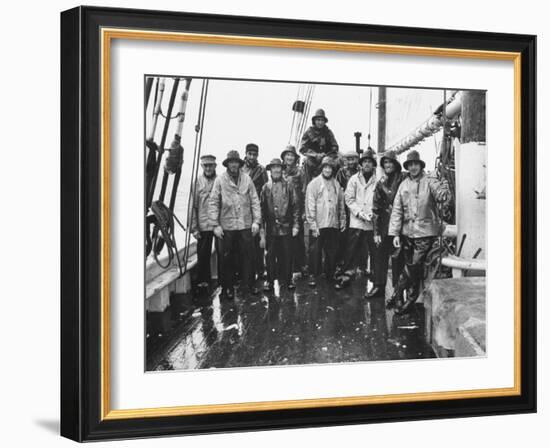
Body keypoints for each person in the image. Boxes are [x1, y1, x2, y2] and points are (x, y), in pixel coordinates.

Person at [388, 150, 451, 314]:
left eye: (416, 164)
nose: (413, 167)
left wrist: (444, 188)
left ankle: (398, 294)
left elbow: (442, 197)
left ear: (420, 165)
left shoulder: (430, 181)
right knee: (412, 268)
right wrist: (395, 233)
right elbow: (397, 210)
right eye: (410, 165)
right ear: (407, 167)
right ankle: (409, 298)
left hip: (425, 233)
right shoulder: (403, 185)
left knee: (413, 267)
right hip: (407, 233)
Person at [208, 150, 261, 300]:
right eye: (231, 162)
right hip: (227, 226)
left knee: (248, 257)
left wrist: (257, 221)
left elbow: (255, 201)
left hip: (245, 225)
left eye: (236, 162)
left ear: (239, 164)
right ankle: (227, 289)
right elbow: (213, 203)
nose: (233, 165)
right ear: (227, 164)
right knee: (226, 259)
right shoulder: (220, 180)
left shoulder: (247, 179)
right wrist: (215, 225)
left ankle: (249, 286)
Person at [335, 149, 378, 294]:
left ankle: (376, 282)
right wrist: (359, 213)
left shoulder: (378, 180)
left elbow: (380, 199)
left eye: (369, 162)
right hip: (356, 221)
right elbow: (349, 199)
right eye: (365, 161)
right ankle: (346, 276)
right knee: (351, 250)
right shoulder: (353, 179)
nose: (367, 164)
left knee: (374, 252)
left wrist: (373, 213)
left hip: (372, 223)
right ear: (361, 164)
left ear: (373, 165)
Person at [372, 150, 408, 305]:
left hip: (400, 226)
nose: (388, 165)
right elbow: (376, 209)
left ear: (396, 164)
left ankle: (397, 292)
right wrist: (376, 232)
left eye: (390, 162)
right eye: (385, 162)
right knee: (380, 256)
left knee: (398, 260)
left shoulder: (404, 178)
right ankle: (378, 286)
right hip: (384, 226)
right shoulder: (381, 183)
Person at [305, 156, 346, 287]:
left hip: (332, 224)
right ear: (322, 168)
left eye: (330, 168)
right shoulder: (314, 184)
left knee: (332, 250)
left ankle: (330, 274)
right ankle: (313, 275)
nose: (328, 170)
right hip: (319, 223)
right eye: (325, 167)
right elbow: (310, 205)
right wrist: (313, 224)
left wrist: (342, 220)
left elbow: (341, 203)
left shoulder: (336, 184)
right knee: (315, 250)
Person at [260, 158, 300, 291]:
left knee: (287, 255)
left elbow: (295, 207)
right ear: (270, 170)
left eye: (278, 167)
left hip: (286, 228)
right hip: (271, 229)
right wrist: (262, 231)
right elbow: (262, 211)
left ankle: (288, 280)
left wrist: (295, 226)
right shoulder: (266, 187)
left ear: (282, 170)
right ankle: (270, 282)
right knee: (270, 256)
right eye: (273, 167)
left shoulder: (289, 185)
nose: (276, 170)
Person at [189, 154, 218, 291]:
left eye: (210, 165)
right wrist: (194, 228)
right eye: (205, 165)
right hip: (203, 225)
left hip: (219, 224)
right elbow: (192, 206)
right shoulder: (197, 182)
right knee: (203, 254)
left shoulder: (220, 181)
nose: (208, 168)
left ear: (215, 166)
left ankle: (223, 279)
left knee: (224, 253)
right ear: (202, 166)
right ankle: (203, 281)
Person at [242, 143, 268, 281]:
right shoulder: (240, 169)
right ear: (245, 154)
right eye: (249, 154)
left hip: (258, 209)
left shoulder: (261, 170)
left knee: (259, 241)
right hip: (243, 210)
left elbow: (266, 190)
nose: (252, 157)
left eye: (254, 154)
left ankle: (260, 268)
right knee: (245, 241)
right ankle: (246, 271)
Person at [281, 144, 306, 276]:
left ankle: (301, 266)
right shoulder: (280, 171)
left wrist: (304, 212)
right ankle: (285, 268)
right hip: (283, 211)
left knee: (298, 239)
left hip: (297, 210)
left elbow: (304, 190)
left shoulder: (300, 172)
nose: (289, 157)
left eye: (291, 155)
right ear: (284, 157)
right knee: (285, 240)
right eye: (287, 155)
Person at [299, 109, 339, 186]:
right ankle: (307, 187)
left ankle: (335, 187)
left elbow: (335, 146)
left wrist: (327, 156)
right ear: (314, 121)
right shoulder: (309, 132)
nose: (320, 122)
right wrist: (315, 155)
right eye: (318, 120)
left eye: (322, 120)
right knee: (307, 162)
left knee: (337, 163)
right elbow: (302, 148)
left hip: (326, 159)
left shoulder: (328, 132)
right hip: (313, 160)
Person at [335, 150, 360, 272]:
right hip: (345, 207)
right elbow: (337, 188)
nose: (351, 162)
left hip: (358, 207)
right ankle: (342, 263)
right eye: (348, 159)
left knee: (358, 238)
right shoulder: (341, 172)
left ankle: (359, 265)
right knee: (343, 236)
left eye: (353, 159)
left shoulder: (361, 171)